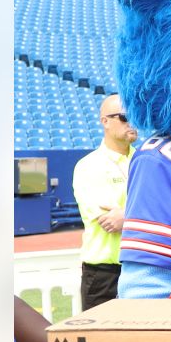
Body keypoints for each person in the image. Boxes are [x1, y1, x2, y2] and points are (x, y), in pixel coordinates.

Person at [71, 94, 137, 310]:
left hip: (141, 269)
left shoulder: (146, 160)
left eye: (136, 115)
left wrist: (127, 216)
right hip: (104, 275)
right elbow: (109, 222)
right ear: (105, 122)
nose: (133, 122)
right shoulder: (88, 166)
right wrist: (144, 216)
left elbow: (166, 209)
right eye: (125, 117)